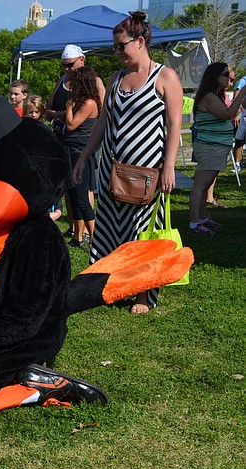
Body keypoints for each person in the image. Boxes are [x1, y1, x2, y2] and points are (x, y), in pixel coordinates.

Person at [72, 11, 183, 315]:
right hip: (112, 170)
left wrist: (169, 167)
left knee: (141, 233)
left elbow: (174, 124)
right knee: (110, 228)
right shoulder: (115, 79)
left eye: (122, 45)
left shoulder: (165, 77)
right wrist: (83, 157)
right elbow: (102, 123)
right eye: (115, 47)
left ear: (141, 41)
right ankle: (109, 285)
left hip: (148, 173)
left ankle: (143, 294)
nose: (117, 52)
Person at [47, 44, 106, 240]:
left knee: (83, 193)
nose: (67, 70)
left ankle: (93, 237)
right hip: (68, 144)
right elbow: (52, 110)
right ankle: (77, 233)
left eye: (70, 65)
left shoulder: (92, 90)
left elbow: (76, 122)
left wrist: (68, 109)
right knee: (72, 191)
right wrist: (59, 113)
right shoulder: (62, 83)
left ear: (81, 60)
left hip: (83, 146)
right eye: (64, 66)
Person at [187, 63, 246, 236]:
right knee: (200, 185)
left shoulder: (216, 95)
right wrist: (242, 91)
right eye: (226, 74)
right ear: (214, 77)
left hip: (215, 146)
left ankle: (203, 218)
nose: (230, 78)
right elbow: (228, 114)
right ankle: (193, 224)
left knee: (205, 185)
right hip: (209, 146)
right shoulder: (208, 96)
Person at [63, 66, 101, 248]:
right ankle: (77, 237)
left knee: (81, 198)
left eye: (74, 82)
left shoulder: (89, 103)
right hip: (71, 150)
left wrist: (69, 107)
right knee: (73, 195)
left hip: (80, 153)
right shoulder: (82, 102)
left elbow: (71, 125)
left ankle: (95, 239)